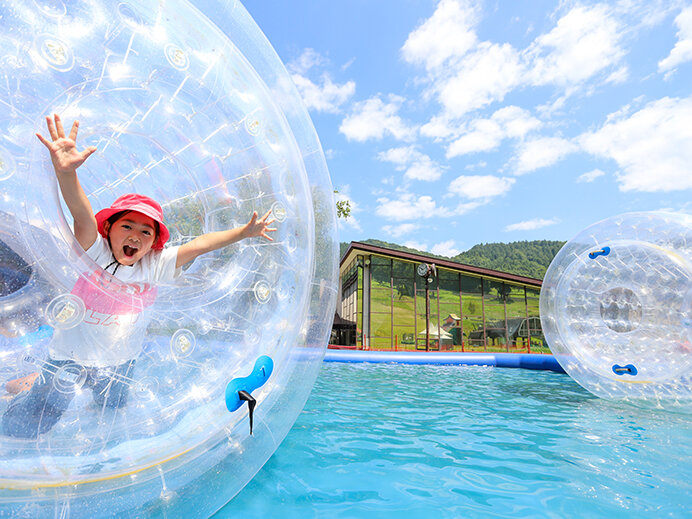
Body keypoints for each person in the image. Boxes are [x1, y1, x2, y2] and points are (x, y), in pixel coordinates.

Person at [2, 114, 276, 438]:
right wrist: (67, 173)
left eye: (146, 231)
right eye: (127, 226)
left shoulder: (154, 265)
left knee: (113, 413)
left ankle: (32, 381)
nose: (135, 235)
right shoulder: (95, 250)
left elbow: (200, 245)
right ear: (109, 229)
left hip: (120, 362)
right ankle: (22, 388)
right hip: (69, 357)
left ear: (154, 242)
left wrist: (242, 233)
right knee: (31, 425)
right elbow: (81, 212)